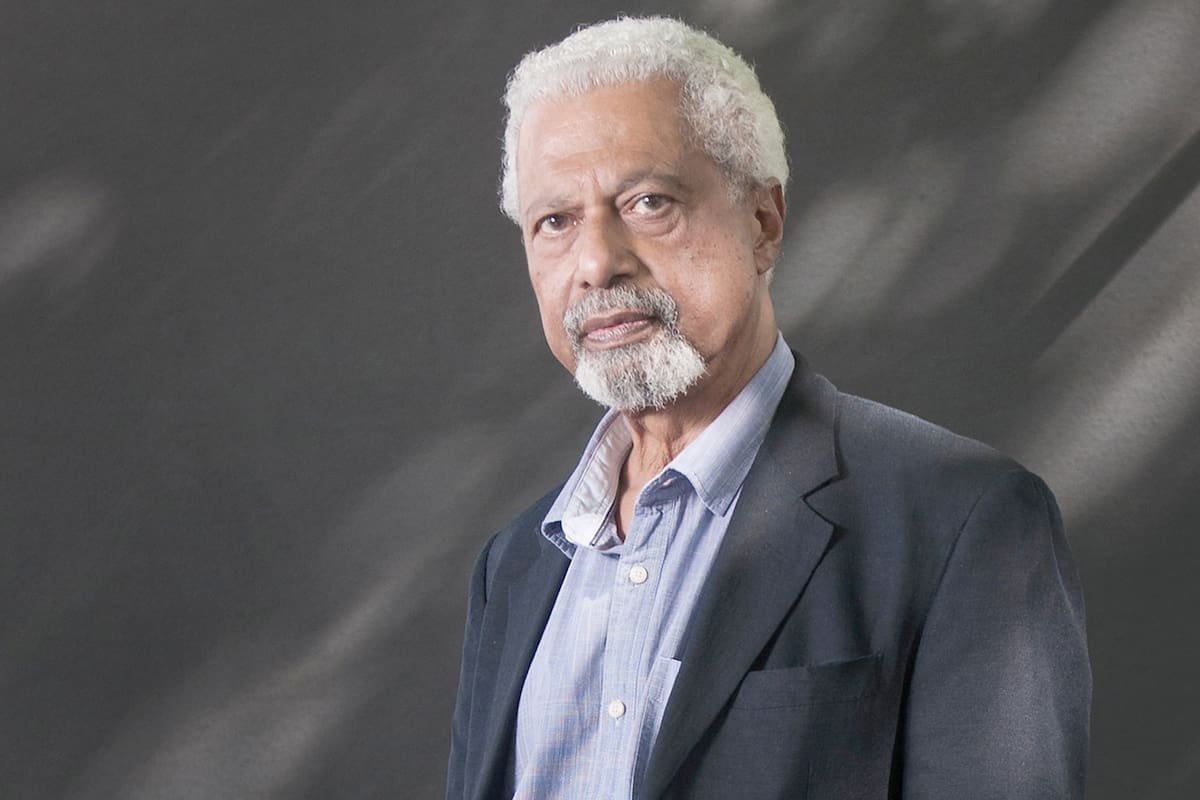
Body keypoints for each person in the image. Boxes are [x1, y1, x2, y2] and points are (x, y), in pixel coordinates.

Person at [447, 16, 1090, 800]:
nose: (595, 263)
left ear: (763, 221)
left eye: (649, 202)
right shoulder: (513, 568)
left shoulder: (962, 523)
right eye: (556, 221)